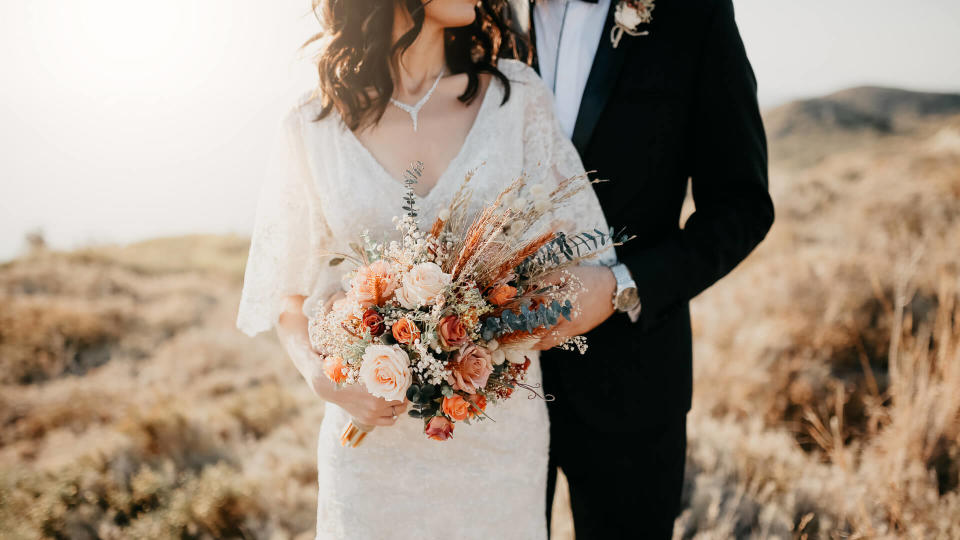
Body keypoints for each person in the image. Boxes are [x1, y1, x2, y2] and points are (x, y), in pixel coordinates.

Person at [235, 1, 616, 538]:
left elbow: (588, 252)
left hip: (497, 444)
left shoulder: (516, 96)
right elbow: (287, 295)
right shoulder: (313, 123)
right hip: (370, 444)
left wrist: (496, 321)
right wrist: (324, 380)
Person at [526, 0, 776, 538]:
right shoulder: (479, 18)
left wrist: (624, 286)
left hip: (632, 392)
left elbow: (741, 206)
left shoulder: (694, 14)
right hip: (493, 390)